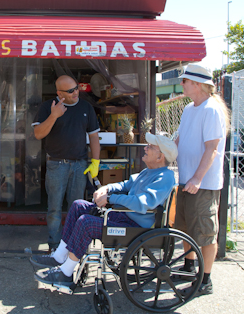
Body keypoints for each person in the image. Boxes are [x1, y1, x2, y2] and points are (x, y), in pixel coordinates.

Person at [30, 133, 177, 287]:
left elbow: (142, 203)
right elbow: (125, 185)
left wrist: (111, 198)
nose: (145, 148)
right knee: (78, 206)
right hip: (124, 217)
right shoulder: (147, 172)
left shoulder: (164, 177)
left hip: (136, 227)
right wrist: (106, 188)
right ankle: (59, 256)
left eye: (150, 147)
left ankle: (65, 273)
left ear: (160, 157)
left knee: (86, 223)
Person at [173, 64, 229, 297]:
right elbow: (179, 140)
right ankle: (188, 268)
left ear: (196, 84)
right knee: (184, 228)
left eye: (185, 81)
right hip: (186, 180)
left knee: (205, 233)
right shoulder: (189, 109)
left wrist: (197, 177)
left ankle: (205, 281)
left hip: (203, 184)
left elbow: (212, 149)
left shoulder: (211, 110)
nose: (182, 84)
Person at [32, 75, 101, 252]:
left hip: (80, 165)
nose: (76, 92)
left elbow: (93, 136)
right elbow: (38, 134)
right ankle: (54, 246)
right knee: (54, 208)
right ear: (59, 93)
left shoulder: (85, 107)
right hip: (57, 164)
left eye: (76, 88)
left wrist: (96, 161)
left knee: (76, 208)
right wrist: (54, 116)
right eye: (70, 91)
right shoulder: (48, 107)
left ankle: (72, 246)